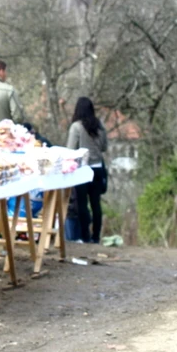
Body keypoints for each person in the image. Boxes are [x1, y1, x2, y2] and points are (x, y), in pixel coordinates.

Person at [67, 97, 108, 244]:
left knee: (82, 204)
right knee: (96, 203)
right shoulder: (100, 126)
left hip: (82, 169)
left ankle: (85, 236)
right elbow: (104, 147)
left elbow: (71, 149)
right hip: (97, 168)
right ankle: (96, 236)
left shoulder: (76, 127)